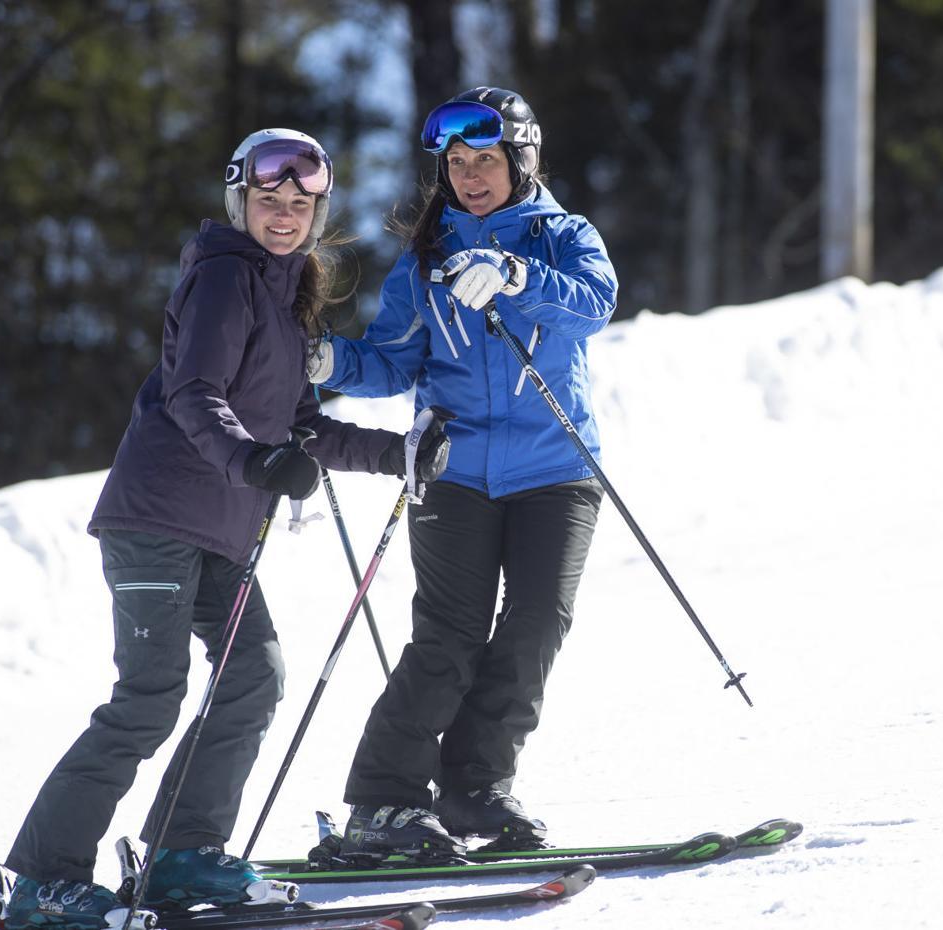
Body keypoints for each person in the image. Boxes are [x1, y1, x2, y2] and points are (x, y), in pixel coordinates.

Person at [1, 128, 450, 930]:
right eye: (268, 201)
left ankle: (180, 854)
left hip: (220, 532)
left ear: (319, 211)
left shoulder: (286, 296)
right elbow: (195, 395)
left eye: (300, 203)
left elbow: (303, 426)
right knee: (147, 699)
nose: (284, 215)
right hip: (159, 517)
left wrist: (398, 453)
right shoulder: (222, 279)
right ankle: (41, 879)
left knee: (254, 676)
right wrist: (255, 463)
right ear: (239, 201)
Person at [306, 86, 617, 863]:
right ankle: (384, 803)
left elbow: (596, 303)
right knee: (447, 638)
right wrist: (331, 361)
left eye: (485, 160)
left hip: (556, 469)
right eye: (455, 163)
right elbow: (390, 361)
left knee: (538, 622)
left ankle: (476, 786)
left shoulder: (563, 237)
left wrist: (517, 276)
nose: (470, 176)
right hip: (454, 474)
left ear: (522, 161)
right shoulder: (423, 261)